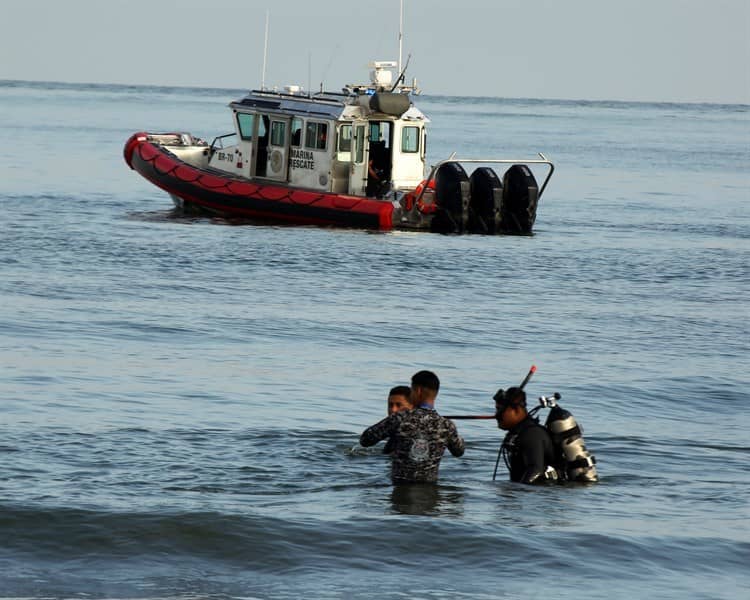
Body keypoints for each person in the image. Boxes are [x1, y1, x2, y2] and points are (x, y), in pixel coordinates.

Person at [360, 371, 465, 484]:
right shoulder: (447, 426)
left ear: (418, 391)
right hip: (430, 492)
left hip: (401, 488)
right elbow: (459, 452)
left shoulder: (399, 419)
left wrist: (389, 427)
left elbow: (365, 440)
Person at [494, 387, 560, 484]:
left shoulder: (531, 434)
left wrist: (519, 491)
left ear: (516, 410)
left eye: (499, 410)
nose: (496, 415)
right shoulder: (518, 434)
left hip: (546, 495)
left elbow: (536, 470)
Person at [383, 385, 413, 455]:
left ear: (412, 407)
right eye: (390, 405)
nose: (393, 410)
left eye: (399, 405)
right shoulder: (392, 429)